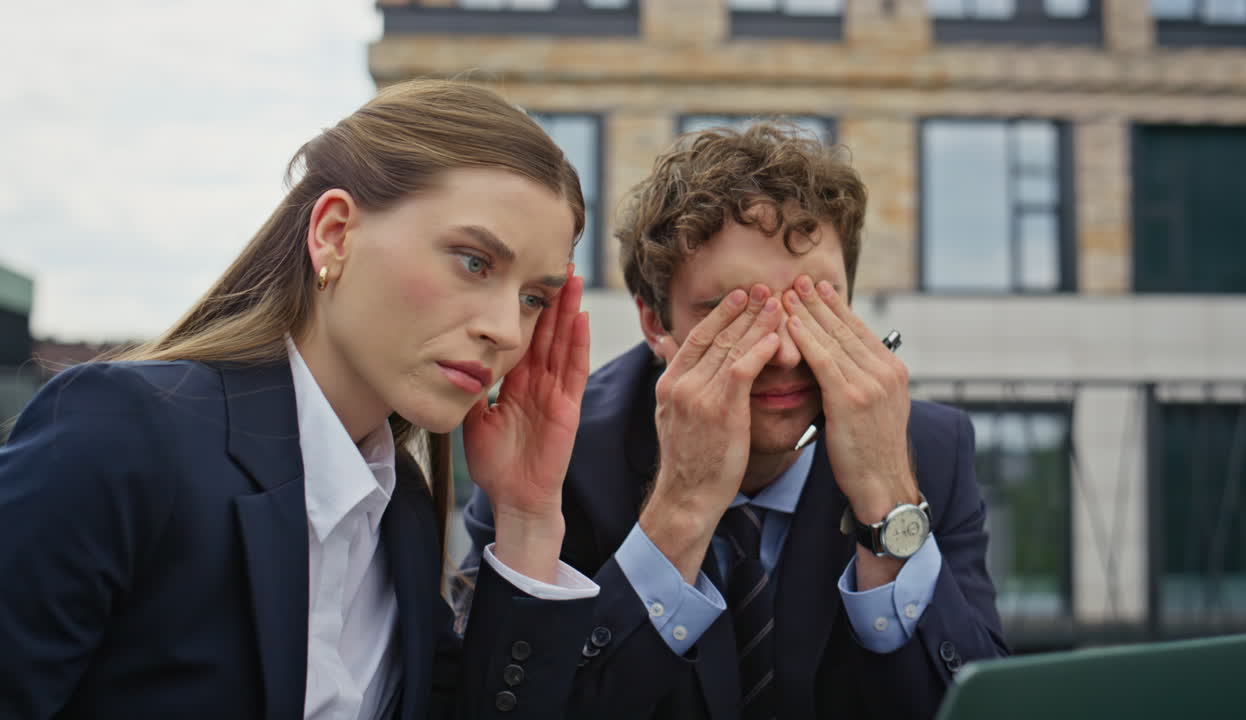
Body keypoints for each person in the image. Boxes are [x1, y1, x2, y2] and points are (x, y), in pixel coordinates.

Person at [0, 79, 603, 719]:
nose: (506, 330)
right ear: (335, 233)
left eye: (533, 298)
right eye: (474, 262)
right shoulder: (120, 437)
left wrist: (529, 516)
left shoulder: (399, 515)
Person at [457, 123, 1009, 719]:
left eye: (815, 307)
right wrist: (681, 510)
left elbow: (978, 704)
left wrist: (889, 505)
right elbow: (503, 706)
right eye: (734, 315)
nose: (787, 355)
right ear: (654, 323)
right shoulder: (555, 456)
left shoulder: (930, 448)